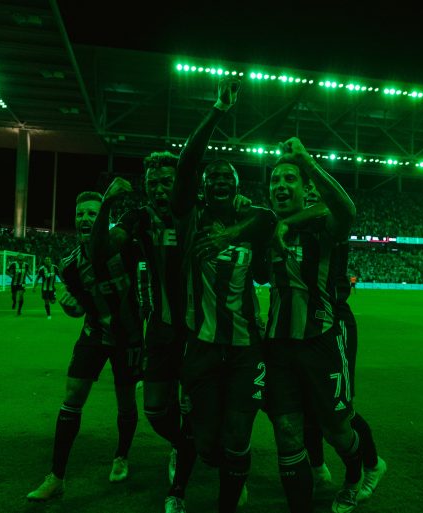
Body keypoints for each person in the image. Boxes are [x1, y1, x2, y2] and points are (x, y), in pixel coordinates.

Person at [171, 77, 276, 513]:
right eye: (211, 176)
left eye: (226, 177)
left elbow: (270, 220)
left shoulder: (251, 220)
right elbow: (186, 165)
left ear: (236, 186)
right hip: (202, 346)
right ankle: (205, 468)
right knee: (207, 442)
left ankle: (228, 501)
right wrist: (218, 110)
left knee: (237, 436)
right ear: (203, 186)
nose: (218, 180)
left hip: (246, 349)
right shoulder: (189, 217)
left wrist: (233, 233)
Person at [261, 137, 364, 513]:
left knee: (336, 429)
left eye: (289, 178)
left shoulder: (324, 227)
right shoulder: (264, 226)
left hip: (321, 341)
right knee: (287, 432)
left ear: (306, 189)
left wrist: (306, 160)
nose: (280, 185)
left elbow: (346, 209)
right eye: (275, 180)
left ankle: (354, 476)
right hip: (277, 344)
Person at [92, 161, 199, 513]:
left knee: (193, 407)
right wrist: (107, 204)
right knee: (154, 409)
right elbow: (103, 249)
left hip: (200, 331)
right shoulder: (139, 217)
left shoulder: (198, 210)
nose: (159, 189)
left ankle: (179, 487)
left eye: (166, 181)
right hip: (160, 331)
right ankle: (184, 445)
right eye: (153, 183)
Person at [26, 190, 144, 502]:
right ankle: (56, 477)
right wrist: (70, 306)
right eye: (80, 214)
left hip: (129, 337)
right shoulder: (69, 265)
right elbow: (79, 307)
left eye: (92, 213)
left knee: (125, 401)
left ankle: (121, 455)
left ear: (104, 218)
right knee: (72, 395)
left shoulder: (127, 250)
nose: (85, 218)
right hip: (94, 334)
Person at [293, 187, 386, 503]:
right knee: (306, 404)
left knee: (341, 409)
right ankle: (318, 469)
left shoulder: (331, 221)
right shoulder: (293, 226)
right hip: (300, 325)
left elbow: (334, 209)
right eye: (304, 190)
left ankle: (371, 465)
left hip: (334, 322)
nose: (308, 196)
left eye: (313, 191)